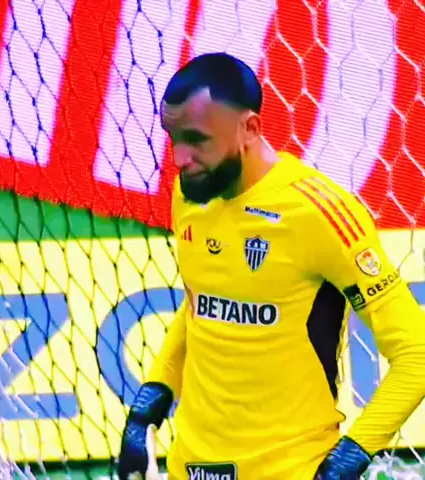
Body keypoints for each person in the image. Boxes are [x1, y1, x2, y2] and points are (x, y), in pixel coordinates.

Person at [117, 52, 425, 480]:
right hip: (189, 466)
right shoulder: (189, 194)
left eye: (197, 140)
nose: (179, 158)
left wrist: (349, 457)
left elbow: (416, 352)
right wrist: (147, 406)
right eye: (174, 139)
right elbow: (201, 304)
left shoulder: (320, 213)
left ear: (250, 129)